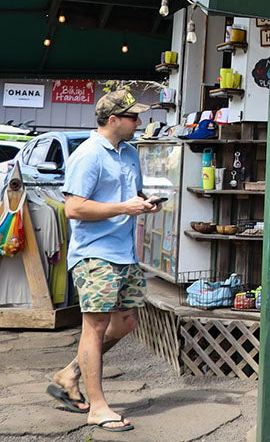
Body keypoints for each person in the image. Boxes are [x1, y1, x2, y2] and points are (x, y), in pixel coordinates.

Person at [46, 89, 159, 432]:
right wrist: (126, 207)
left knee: (124, 324)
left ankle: (70, 374)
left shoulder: (129, 153)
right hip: (95, 255)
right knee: (94, 328)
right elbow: (74, 208)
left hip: (124, 253)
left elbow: (129, 196)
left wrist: (144, 202)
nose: (139, 122)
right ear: (113, 120)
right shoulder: (89, 155)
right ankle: (97, 407)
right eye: (132, 117)